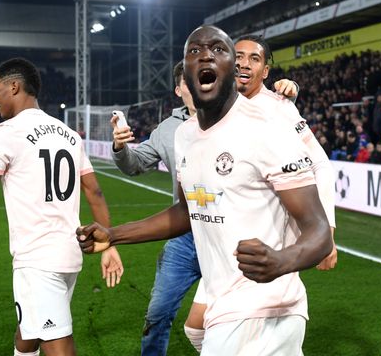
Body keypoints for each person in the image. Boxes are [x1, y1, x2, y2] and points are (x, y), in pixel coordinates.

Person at [78, 25, 332, 354]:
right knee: (180, 323)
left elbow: (319, 231)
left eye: (218, 50)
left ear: (231, 70)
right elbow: (188, 212)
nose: (206, 55)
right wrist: (114, 235)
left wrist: (282, 261)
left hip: (265, 308)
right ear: (185, 74)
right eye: (194, 51)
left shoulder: (268, 128)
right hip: (224, 302)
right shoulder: (184, 135)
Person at [0, 57, 123, 356]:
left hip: (37, 260)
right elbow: (95, 191)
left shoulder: (5, 134)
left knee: (57, 343)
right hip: (69, 254)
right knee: (28, 331)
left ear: (14, 86)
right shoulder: (67, 134)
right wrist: (108, 244)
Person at [110, 62, 300, 355]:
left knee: (229, 319)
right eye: (189, 81)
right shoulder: (170, 131)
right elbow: (135, 165)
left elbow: (271, 113)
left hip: (230, 237)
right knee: (159, 313)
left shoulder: (239, 114)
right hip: (187, 237)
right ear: (179, 89)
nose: (199, 83)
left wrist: (289, 91)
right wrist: (121, 149)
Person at [182, 33, 339, 351]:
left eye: (254, 58)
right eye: (237, 55)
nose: (243, 62)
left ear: (266, 71)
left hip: (264, 236)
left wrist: (328, 231)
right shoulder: (219, 106)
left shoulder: (279, 108)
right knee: (195, 327)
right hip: (222, 240)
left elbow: (320, 165)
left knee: (215, 324)